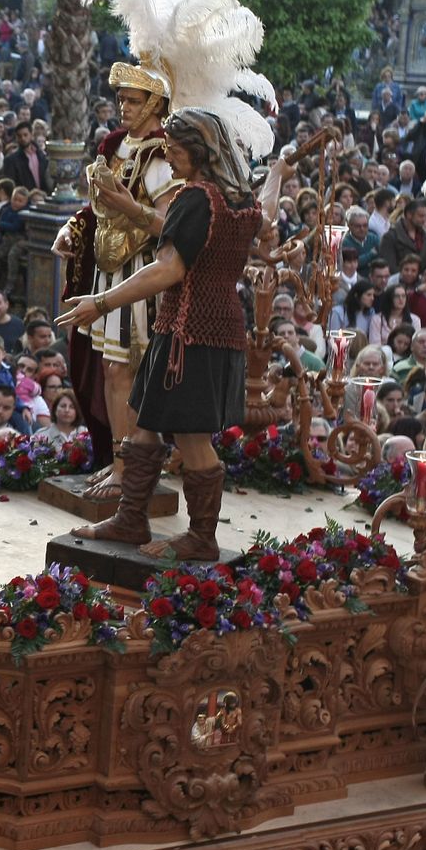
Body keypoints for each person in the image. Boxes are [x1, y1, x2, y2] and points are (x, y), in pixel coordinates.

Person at [59, 108, 264, 561]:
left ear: (200, 151)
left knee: (192, 439)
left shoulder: (197, 197)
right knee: (146, 425)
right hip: (204, 326)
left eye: (174, 151)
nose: (168, 159)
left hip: (191, 332)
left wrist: (102, 301)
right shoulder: (243, 199)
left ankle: (201, 537)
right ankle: (131, 518)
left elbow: (170, 268)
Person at [52, 61, 178, 503]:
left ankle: (129, 468)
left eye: (133, 100)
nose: (123, 107)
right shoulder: (113, 144)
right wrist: (73, 227)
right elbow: (96, 208)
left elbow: (171, 224)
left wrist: (128, 207)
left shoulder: (164, 153)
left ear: (155, 104)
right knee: (110, 368)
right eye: (121, 99)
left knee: (127, 370)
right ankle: (116, 458)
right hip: (107, 270)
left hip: (140, 275)